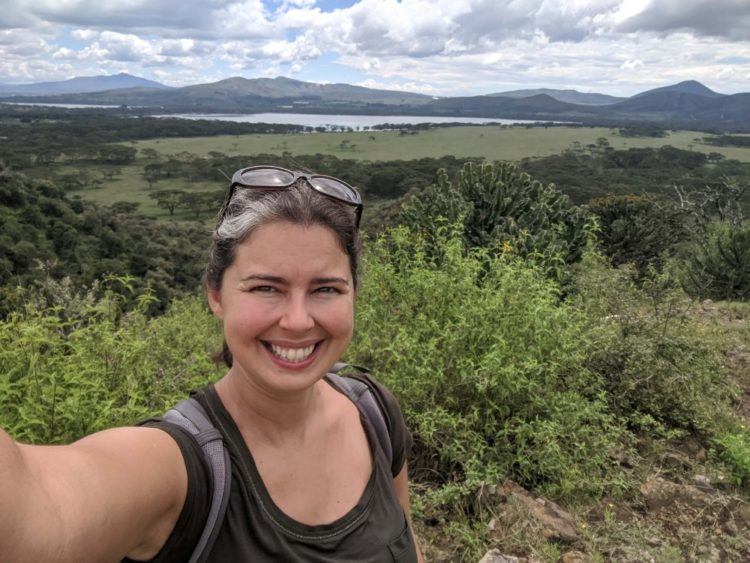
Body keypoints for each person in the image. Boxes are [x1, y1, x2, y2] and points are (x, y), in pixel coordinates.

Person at [0, 165, 424, 562]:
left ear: (354, 293)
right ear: (216, 295)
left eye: (326, 289)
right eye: (265, 288)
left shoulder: (373, 411)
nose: (298, 320)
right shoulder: (180, 468)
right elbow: (39, 516)